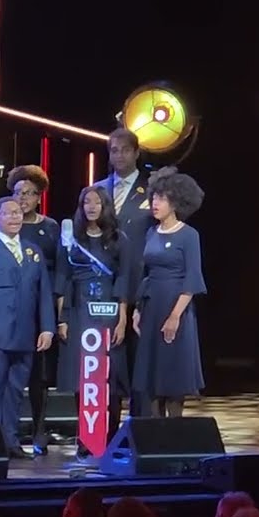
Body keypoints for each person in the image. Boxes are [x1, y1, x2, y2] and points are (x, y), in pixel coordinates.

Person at [0, 196, 55, 458]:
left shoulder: (32, 251)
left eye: (18, 213)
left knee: (15, 391)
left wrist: (47, 327)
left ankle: (11, 443)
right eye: (9, 213)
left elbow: (44, 292)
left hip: (25, 334)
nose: (15, 217)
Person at [0, 165, 60, 454]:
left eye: (29, 194)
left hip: (37, 309)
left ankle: (30, 432)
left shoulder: (49, 228)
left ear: (39, 197)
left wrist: (51, 321)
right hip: (2, 316)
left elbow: (57, 270)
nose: (23, 199)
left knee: (34, 378)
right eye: (18, 193)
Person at [55, 186, 134, 457]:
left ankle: (111, 438)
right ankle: (87, 438)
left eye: (96, 202)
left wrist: (122, 319)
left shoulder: (118, 239)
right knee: (84, 377)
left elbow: (124, 279)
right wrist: (62, 318)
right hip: (79, 313)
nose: (91, 206)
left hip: (109, 313)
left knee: (109, 379)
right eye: (85, 201)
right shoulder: (71, 239)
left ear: (105, 206)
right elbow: (63, 279)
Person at [131, 166, 206, 417]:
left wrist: (175, 316)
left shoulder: (189, 235)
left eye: (161, 198)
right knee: (151, 377)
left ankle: (174, 435)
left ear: (175, 202)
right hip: (152, 307)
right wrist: (138, 310)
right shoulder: (151, 232)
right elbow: (147, 273)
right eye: (154, 197)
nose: (155, 203)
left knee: (174, 376)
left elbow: (192, 277)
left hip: (176, 308)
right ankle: (154, 437)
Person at [103, 128, 155, 416]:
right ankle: (105, 433)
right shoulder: (97, 191)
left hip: (141, 286)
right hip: (106, 287)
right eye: (114, 150)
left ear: (136, 153)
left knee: (140, 364)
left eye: (124, 149)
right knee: (108, 364)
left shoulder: (153, 190)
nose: (119, 155)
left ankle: (141, 429)